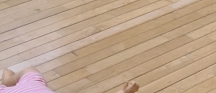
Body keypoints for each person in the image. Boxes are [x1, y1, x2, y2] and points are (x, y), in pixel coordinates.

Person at [1, 67, 136, 93]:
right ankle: (7, 79)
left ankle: (6, 79)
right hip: (32, 85)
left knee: (27, 71)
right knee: (29, 71)